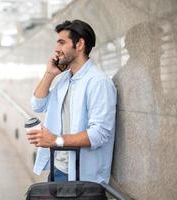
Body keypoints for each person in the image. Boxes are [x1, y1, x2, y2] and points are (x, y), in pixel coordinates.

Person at [26, 20, 117, 184]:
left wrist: (56, 140)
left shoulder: (98, 82)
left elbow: (100, 134)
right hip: (58, 168)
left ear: (80, 44)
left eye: (62, 42)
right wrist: (49, 74)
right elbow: (37, 104)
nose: (56, 49)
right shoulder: (64, 80)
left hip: (81, 176)